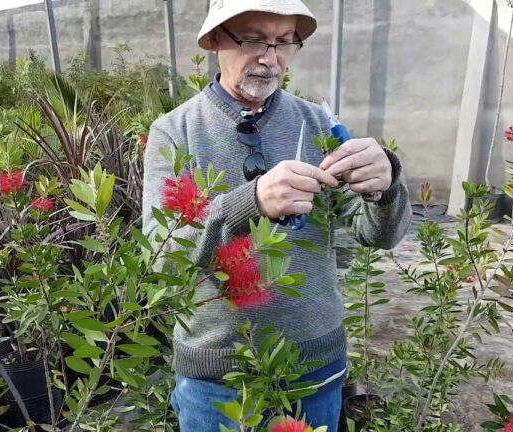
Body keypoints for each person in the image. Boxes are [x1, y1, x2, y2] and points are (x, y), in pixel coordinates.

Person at [141, 1, 412, 430]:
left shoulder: (319, 122)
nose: (271, 58)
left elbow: (376, 235)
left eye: (285, 41)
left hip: (315, 365)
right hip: (220, 377)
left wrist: (384, 187)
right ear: (213, 40)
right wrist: (250, 202)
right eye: (252, 38)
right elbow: (161, 256)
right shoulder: (176, 132)